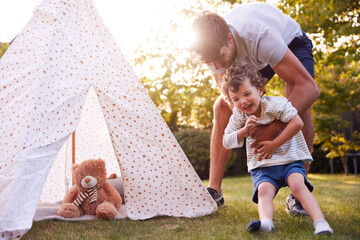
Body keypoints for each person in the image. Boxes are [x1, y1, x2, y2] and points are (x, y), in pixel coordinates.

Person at [189, 2, 319, 214]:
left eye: (219, 59)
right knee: (221, 107)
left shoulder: (259, 37)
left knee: (297, 98)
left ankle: (299, 193)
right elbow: (231, 103)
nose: (216, 68)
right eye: (210, 63)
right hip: (250, 57)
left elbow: (308, 89)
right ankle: (214, 190)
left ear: (229, 39)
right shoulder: (213, 52)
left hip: (290, 42)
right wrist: (245, 127)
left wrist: (272, 127)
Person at [221, 63, 333, 235]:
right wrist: (243, 131)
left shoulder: (276, 104)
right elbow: (226, 141)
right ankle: (266, 223)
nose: (242, 101)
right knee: (263, 191)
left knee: (297, 186)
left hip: (289, 160)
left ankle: (321, 223)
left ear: (259, 90)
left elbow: (297, 123)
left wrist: (274, 144)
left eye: (247, 94)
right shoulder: (240, 115)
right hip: (263, 166)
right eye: (235, 99)